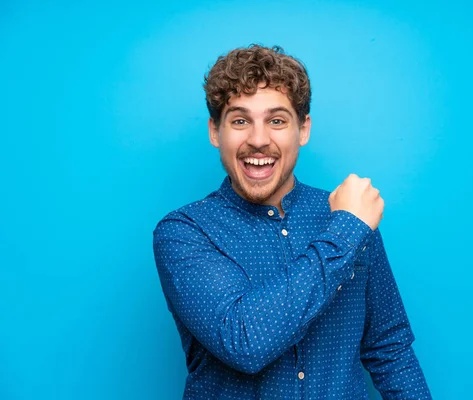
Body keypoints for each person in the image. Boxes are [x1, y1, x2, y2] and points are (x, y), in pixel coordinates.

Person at [153, 44, 432, 400]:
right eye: (240, 120)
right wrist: (346, 233)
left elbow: (390, 349)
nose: (258, 140)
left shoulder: (347, 217)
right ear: (214, 131)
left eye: (277, 120)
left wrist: (349, 227)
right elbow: (243, 341)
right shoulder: (184, 232)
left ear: (303, 129)